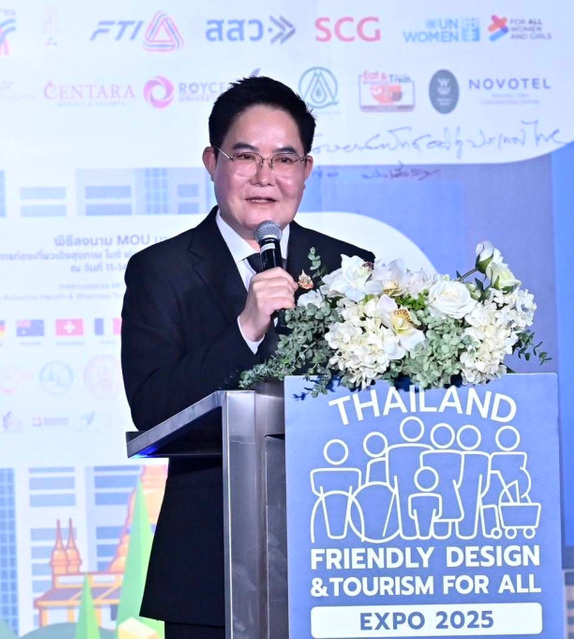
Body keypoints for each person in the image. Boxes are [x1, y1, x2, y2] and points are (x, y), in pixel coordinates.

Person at [120, 76, 374, 638]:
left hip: (340, 553)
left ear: (306, 170)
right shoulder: (160, 271)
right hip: (210, 567)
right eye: (245, 156)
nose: (265, 176)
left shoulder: (350, 268)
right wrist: (244, 329)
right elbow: (154, 408)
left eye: (284, 159)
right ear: (212, 162)